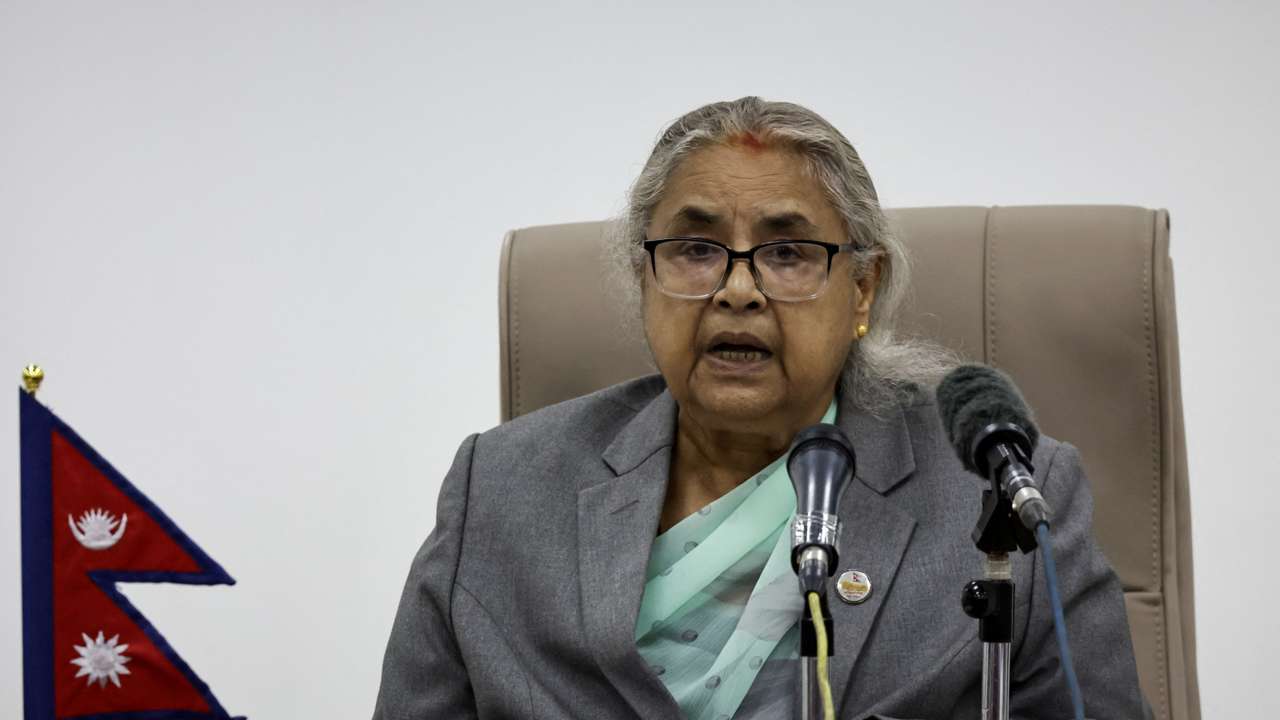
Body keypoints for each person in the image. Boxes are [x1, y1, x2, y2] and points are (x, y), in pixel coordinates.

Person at [372, 97, 1150, 719]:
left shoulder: (1000, 492)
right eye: (695, 249)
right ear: (643, 280)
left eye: (788, 253)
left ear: (864, 289)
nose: (737, 289)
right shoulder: (501, 488)